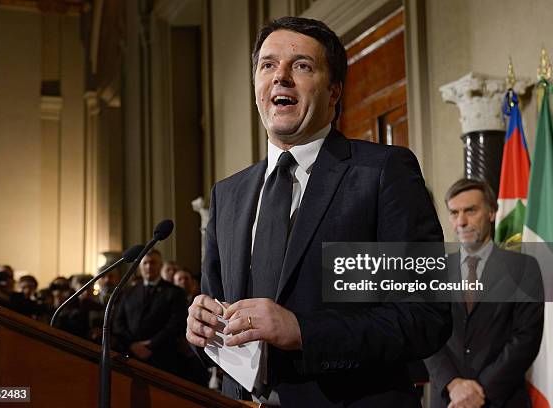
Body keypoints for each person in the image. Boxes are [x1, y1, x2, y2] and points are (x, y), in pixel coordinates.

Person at [186, 16, 451, 406]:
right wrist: (201, 329)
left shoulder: (382, 173)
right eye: (268, 65)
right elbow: (219, 308)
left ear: (334, 91)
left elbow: (426, 317)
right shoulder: (228, 194)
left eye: (302, 66)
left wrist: (302, 330)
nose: (281, 77)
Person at [424, 178, 544, 408]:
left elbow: (526, 339)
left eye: (470, 210)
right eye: (454, 212)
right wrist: (453, 384)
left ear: (491, 213)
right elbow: (426, 334)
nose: (461, 221)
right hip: (448, 399)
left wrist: (480, 391)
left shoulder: (524, 268)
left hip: (502, 399)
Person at [112, 249, 188, 375]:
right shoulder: (129, 292)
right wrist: (132, 344)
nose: (149, 266)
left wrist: (152, 344)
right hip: (130, 356)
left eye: (153, 263)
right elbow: (118, 322)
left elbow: (176, 323)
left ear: (160, 265)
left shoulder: (175, 292)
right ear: (140, 266)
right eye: (145, 263)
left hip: (162, 357)